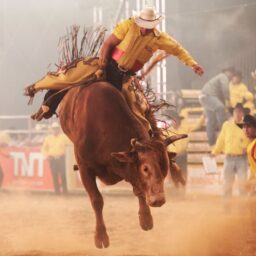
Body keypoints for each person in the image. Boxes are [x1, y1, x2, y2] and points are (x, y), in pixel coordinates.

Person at [99, 5, 204, 91]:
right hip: (110, 67)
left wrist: (193, 64)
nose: (144, 29)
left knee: (139, 107)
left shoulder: (159, 38)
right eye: (142, 25)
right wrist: (102, 66)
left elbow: (178, 49)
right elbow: (107, 44)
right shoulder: (128, 25)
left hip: (128, 77)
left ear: (153, 25)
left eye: (148, 26)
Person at [211, 103, 250, 200]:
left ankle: (243, 206)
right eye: (236, 111)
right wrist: (214, 152)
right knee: (227, 184)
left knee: (243, 184)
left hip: (242, 159)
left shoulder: (247, 126)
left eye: (240, 112)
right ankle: (227, 206)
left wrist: (248, 148)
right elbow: (221, 140)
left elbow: (253, 141)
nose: (238, 114)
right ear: (233, 113)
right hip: (229, 158)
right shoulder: (226, 125)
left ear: (243, 114)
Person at [199, 67, 235, 146]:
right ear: (227, 72)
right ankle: (224, 129)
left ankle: (212, 143)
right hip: (208, 96)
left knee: (212, 121)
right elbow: (225, 89)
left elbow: (221, 96)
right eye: (231, 73)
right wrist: (228, 99)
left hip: (205, 97)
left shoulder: (218, 79)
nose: (231, 75)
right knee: (220, 108)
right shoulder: (223, 76)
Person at [166, 111, 205, 183]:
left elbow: (197, 125)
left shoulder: (185, 128)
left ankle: (182, 191)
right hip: (172, 157)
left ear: (179, 120)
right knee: (173, 175)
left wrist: (203, 115)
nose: (174, 121)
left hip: (182, 156)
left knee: (184, 175)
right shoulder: (167, 131)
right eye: (173, 119)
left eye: (176, 119)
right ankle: (173, 191)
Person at [42, 122, 70, 195]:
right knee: (55, 175)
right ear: (51, 130)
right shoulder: (48, 138)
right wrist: (47, 155)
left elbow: (70, 145)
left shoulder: (64, 137)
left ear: (59, 129)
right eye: (54, 129)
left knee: (63, 175)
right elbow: (44, 149)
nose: (55, 130)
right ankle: (57, 192)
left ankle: (65, 192)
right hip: (52, 159)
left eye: (57, 129)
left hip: (61, 158)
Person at [242, 114, 256, 195]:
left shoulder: (254, 145)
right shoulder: (251, 145)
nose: (246, 130)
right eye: (244, 127)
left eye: (249, 127)